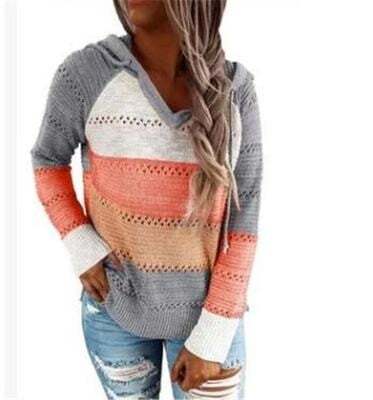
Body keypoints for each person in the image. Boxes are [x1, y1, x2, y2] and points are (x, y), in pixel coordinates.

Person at [30, 0, 263, 398]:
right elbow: (47, 160)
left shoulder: (235, 91)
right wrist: (80, 243)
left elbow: (245, 223)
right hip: (115, 309)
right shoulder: (86, 74)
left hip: (211, 318)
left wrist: (212, 336)